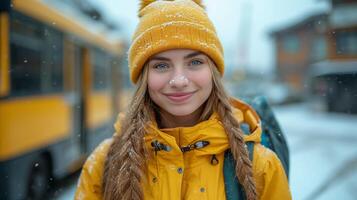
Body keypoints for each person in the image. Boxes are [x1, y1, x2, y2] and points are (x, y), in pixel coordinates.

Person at [75, 0, 291, 199]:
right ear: (143, 78)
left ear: (213, 72)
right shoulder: (104, 163)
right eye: (161, 65)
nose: (179, 80)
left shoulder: (262, 166)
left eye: (195, 62)